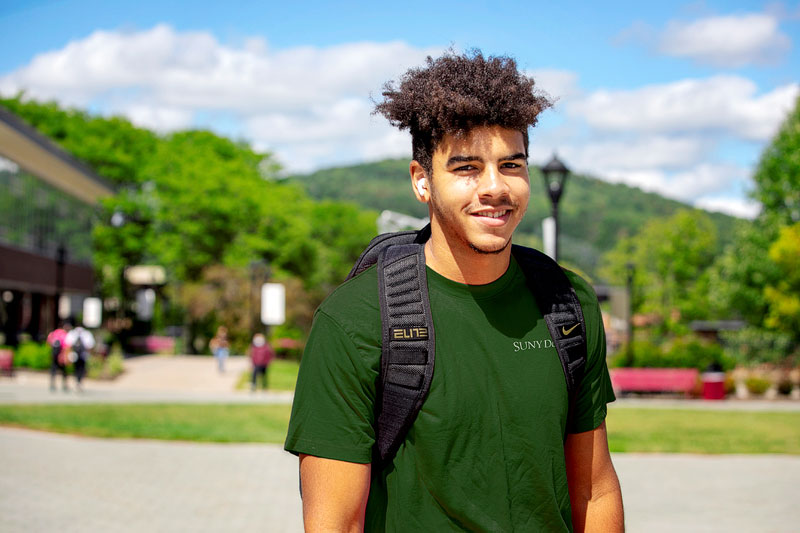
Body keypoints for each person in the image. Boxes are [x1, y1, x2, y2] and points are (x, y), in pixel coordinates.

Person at [285, 50, 623, 532]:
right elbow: (334, 522)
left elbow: (595, 488)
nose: (495, 188)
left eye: (511, 165)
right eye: (466, 168)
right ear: (422, 181)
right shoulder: (356, 319)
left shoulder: (567, 303)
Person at [65, 322, 95, 392]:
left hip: (75, 354)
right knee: (81, 368)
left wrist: (67, 355)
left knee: (77, 368)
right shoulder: (86, 334)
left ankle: (77, 381)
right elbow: (90, 345)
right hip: (82, 354)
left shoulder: (72, 333)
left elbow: (68, 345)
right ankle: (79, 381)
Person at [46, 321, 71, 391]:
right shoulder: (65, 334)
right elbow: (66, 346)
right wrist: (64, 356)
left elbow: (48, 341)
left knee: (53, 369)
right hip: (61, 354)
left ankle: (52, 384)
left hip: (54, 354)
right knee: (63, 371)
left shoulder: (54, 332)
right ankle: (65, 385)